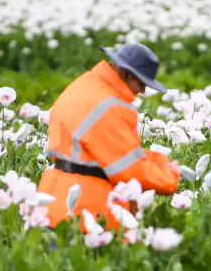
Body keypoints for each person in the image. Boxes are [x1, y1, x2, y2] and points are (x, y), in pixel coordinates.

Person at [37, 43, 181, 231]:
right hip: (86, 210)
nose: (143, 91)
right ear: (124, 71)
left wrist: (157, 160)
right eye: (142, 82)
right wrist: (170, 176)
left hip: (52, 199)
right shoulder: (110, 105)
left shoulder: (83, 86)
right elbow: (128, 171)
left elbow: (98, 151)